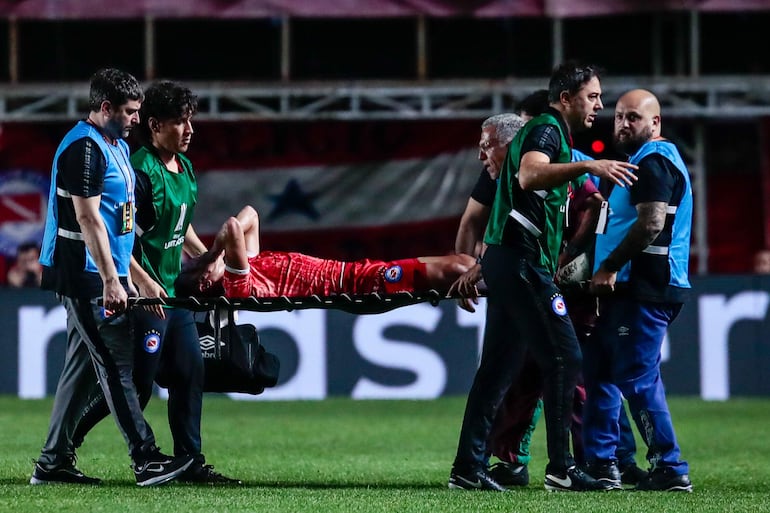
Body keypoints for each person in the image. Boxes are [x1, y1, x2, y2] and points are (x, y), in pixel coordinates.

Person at [447, 61, 638, 492]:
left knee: (498, 369)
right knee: (565, 358)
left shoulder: (553, 135)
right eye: (592, 96)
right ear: (566, 98)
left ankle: (467, 467)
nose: (599, 105)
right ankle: (562, 469)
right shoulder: (547, 129)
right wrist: (591, 167)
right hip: (520, 261)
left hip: (510, 260)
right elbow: (530, 175)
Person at [63, 80, 240, 484]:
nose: (190, 129)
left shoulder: (185, 167)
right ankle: (67, 442)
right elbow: (124, 235)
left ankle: (190, 461)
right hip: (147, 297)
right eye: (180, 122)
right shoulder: (140, 171)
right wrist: (138, 282)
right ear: (155, 125)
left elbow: (180, 223)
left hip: (172, 292)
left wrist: (202, 257)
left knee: (190, 371)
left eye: (191, 119)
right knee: (136, 386)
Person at [32, 68, 194, 486]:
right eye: (128, 111)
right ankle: (145, 457)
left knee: (82, 371)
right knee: (116, 366)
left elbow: (120, 223)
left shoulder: (114, 145)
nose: (135, 119)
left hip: (101, 273)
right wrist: (111, 279)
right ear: (105, 109)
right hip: (84, 274)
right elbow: (88, 219)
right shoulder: (83, 150)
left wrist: (134, 274)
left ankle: (52, 462)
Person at [582, 89, 693, 492]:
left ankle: (670, 466)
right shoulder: (640, 163)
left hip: (645, 288)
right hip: (628, 289)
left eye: (634, 118)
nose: (623, 124)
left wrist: (609, 266)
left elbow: (651, 224)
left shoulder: (655, 163)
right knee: (600, 372)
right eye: (619, 117)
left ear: (655, 123)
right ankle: (602, 463)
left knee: (636, 377)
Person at [179, 205, 477, 300]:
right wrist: (214, 251)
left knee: (462, 262)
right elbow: (232, 226)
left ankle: (491, 274)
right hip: (356, 287)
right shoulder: (238, 287)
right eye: (206, 266)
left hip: (355, 273)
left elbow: (251, 215)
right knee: (456, 270)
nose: (212, 259)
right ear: (206, 283)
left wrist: (211, 257)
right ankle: (503, 278)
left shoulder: (250, 266)